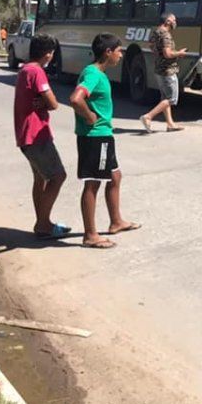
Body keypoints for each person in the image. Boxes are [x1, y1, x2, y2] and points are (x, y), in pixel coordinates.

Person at [69, 33, 140, 249]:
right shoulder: (93, 75)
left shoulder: (97, 73)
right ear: (108, 52)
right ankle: (90, 235)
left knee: (115, 176)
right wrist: (89, 116)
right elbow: (75, 99)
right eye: (119, 50)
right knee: (93, 183)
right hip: (95, 138)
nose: (121, 55)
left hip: (104, 136)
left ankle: (116, 221)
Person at [13, 34, 69, 239]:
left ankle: (44, 222)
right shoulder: (37, 72)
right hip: (37, 135)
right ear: (48, 54)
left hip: (26, 134)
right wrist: (47, 103)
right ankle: (42, 224)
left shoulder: (24, 70)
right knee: (58, 176)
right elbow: (54, 103)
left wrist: (43, 103)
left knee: (41, 179)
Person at [140, 12, 187, 133]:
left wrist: (158, 55)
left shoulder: (156, 32)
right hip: (168, 70)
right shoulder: (166, 35)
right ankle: (148, 116)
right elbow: (168, 54)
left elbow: (151, 45)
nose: (175, 22)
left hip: (159, 69)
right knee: (171, 99)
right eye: (173, 20)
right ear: (167, 21)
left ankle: (170, 124)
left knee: (165, 98)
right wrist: (180, 53)